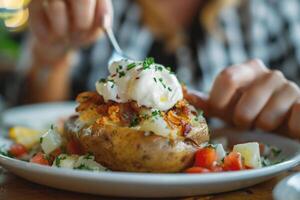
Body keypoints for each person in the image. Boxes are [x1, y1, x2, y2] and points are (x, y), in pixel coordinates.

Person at [23, 0, 300, 138]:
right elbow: (31, 125)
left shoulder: (274, 9)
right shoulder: (102, 7)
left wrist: (287, 122)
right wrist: (52, 56)